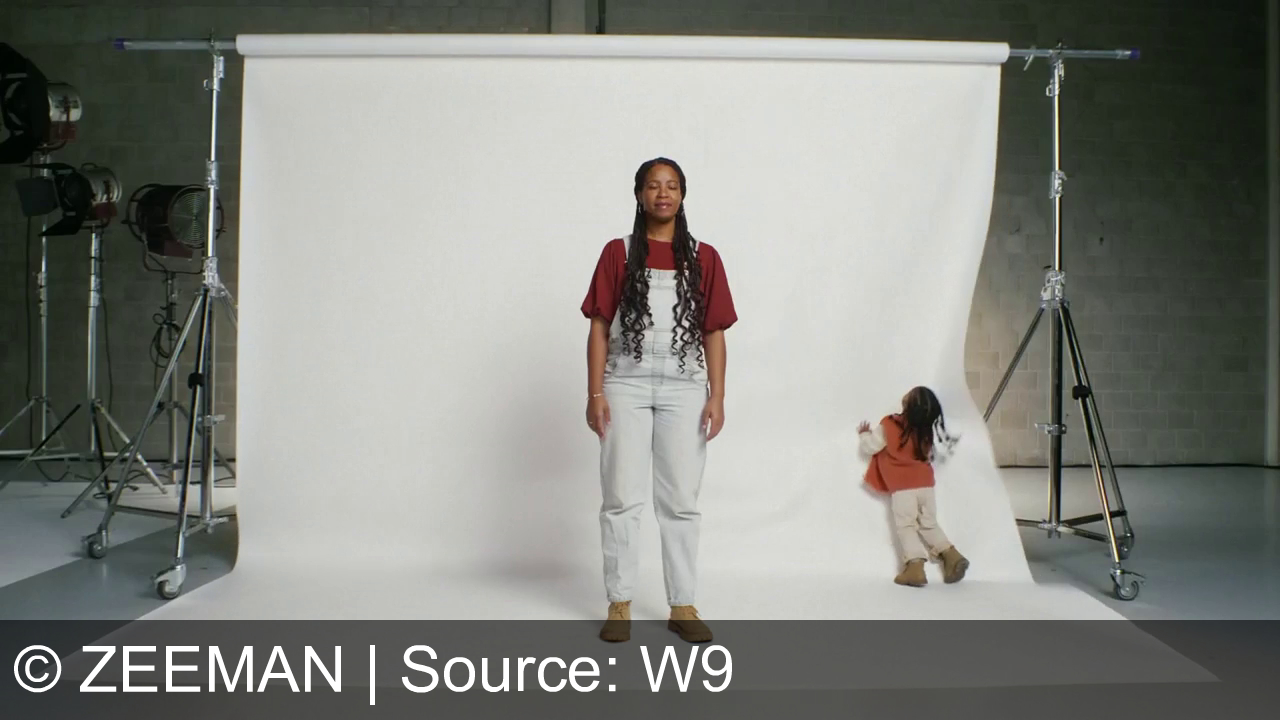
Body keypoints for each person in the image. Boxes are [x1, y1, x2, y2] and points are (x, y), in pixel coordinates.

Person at [580, 157, 737, 643]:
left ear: (682, 195)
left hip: (685, 388)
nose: (662, 194)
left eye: (671, 186)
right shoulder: (618, 253)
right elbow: (599, 327)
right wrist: (595, 392)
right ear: (639, 194)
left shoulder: (705, 257)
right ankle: (619, 602)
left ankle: (682, 603)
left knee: (681, 500)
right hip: (624, 384)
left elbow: (714, 331)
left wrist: (717, 395)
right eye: (653, 185)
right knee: (621, 497)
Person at [857, 386, 968, 587]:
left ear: (909, 404)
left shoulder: (889, 424)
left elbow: (871, 447)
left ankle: (915, 567)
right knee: (929, 524)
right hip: (926, 485)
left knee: (906, 526)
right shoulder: (925, 431)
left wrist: (864, 435)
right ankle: (952, 555)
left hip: (903, 488)